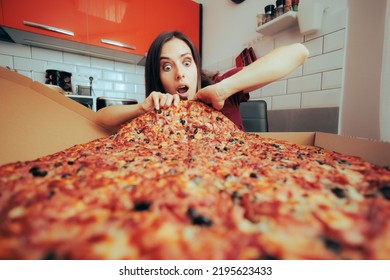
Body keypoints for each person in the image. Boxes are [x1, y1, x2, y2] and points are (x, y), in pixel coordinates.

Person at [95, 31, 309, 131]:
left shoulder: (223, 85)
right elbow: (100, 118)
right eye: (167, 67)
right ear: (157, 76)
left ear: (197, 66)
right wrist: (141, 108)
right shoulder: (156, 110)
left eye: (186, 62)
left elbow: (298, 52)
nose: (180, 73)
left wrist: (224, 88)